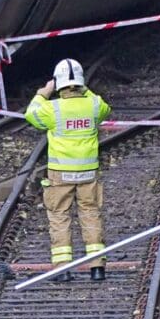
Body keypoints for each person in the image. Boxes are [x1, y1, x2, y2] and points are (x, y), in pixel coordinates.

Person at [25, 58, 111, 282]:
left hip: (60, 174)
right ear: (81, 82)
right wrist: (84, 88)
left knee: (59, 217)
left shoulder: (52, 109)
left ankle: (62, 269)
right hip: (88, 174)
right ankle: (97, 267)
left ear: (58, 83)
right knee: (91, 214)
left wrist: (43, 92)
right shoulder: (93, 106)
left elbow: (30, 113)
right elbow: (103, 106)